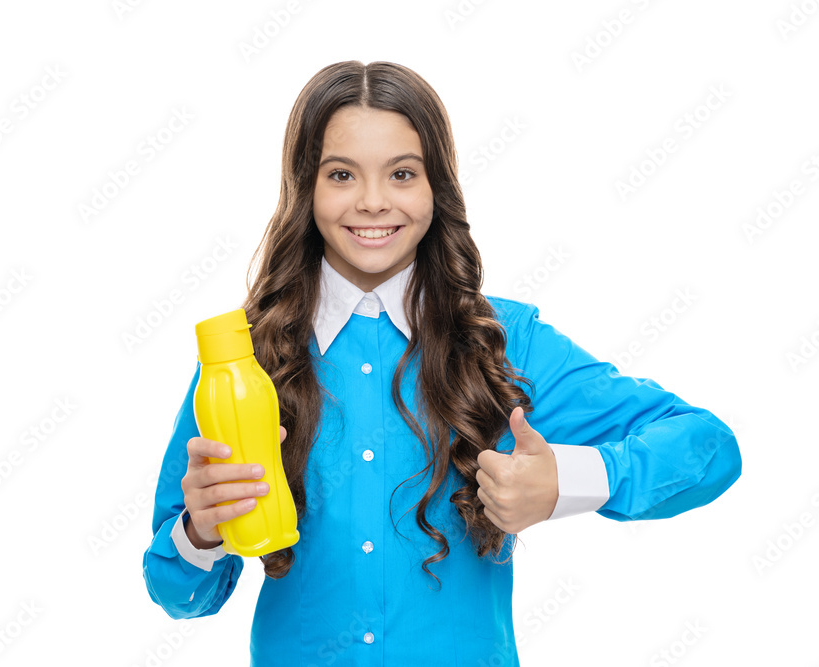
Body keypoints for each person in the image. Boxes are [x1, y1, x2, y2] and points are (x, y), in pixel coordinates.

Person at [142, 60, 742, 666]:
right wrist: (200, 531)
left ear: (437, 188)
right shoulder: (245, 360)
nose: (373, 202)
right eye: (342, 174)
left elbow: (709, 448)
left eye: (402, 173)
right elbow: (177, 593)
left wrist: (568, 480)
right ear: (306, 188)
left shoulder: (507, 341)